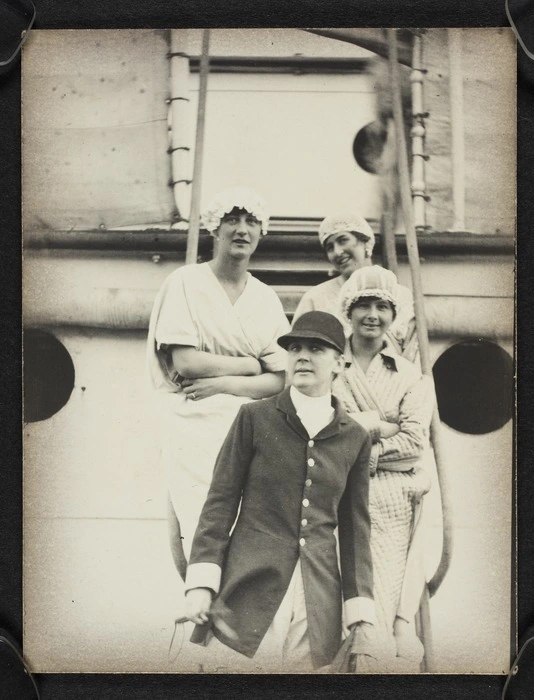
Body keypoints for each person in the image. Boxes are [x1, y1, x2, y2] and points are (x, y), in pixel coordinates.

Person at [184, 312, 376, 673]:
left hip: (317, 599)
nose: (302, 356)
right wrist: (201, 583)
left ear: (340, 363)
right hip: (248, 588)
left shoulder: (355, 437)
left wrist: (360, 613)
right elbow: (219, 504)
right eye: (295, 348)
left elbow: (356, 532)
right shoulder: (254, 418)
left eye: (316, 349)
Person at [146, 186, 290, 579]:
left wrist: (225, 383)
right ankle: (206, 600)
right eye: (232, 220)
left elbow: (278, 380)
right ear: (215, 228)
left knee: (252, 523)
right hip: (194, 417)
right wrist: (246, 366)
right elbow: (186, 362)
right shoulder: (186, 283)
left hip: (250, 423)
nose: (241, 229)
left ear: (262, 232)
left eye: (251, 222)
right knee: (205, 520)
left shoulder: (264, 299)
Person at [333, 265, 435, 672]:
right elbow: (326, 429)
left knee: (382, 602)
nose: (372, 314)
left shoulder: (412, 377)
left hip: (393, 499)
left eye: (381, 306)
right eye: (363, 305)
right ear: (349, 311)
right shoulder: (330, 365)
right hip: (339, 494)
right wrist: (382, 425)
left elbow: (413, 445)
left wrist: (362, 437)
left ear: (394, 315)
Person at [293, 212, 418, 361]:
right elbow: (298, 353)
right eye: (329, 247)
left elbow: (414, 357)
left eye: (343, 240)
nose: (337, 252)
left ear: (365, 242)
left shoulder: (400, 295)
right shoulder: (315, 298)